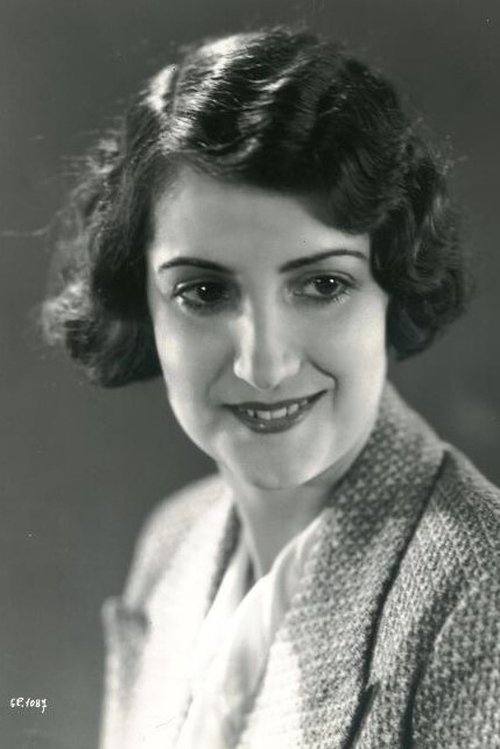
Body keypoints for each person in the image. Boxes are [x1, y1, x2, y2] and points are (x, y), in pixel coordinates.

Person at [43, 26, 500, 749]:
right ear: (143, 305)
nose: (264, 365)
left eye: (323, 285)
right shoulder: (173, 541)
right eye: (203, 292)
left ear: (394, 282)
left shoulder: (477, 590)